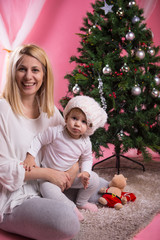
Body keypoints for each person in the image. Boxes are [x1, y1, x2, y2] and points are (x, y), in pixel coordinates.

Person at [0, 44, 109, 240]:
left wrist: (70, 172)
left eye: (35, 70)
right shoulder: (2, 110)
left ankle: (74, 199)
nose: (28, 77)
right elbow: (2, 168)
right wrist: (50, 174)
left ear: (44, 75)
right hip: (15, 196)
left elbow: (74, 145)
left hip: (49, 186)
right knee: (66, 221)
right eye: (22, 69)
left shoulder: (49, 109)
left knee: (98, 183)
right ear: (13, 72)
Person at [23, 95, 108, 221]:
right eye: (74, 118)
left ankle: (81, 202)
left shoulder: (85, 142)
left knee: (94, 180)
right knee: (47, 190)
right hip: (49, 177)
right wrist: (30, 156)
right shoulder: (56, 132)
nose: (77, 124)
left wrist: (85, 172)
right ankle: (70, 207)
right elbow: (39, 139)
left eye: (83, 122)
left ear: (89, 127)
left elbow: (87, 159)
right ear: (66, 117)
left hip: (70, 176)